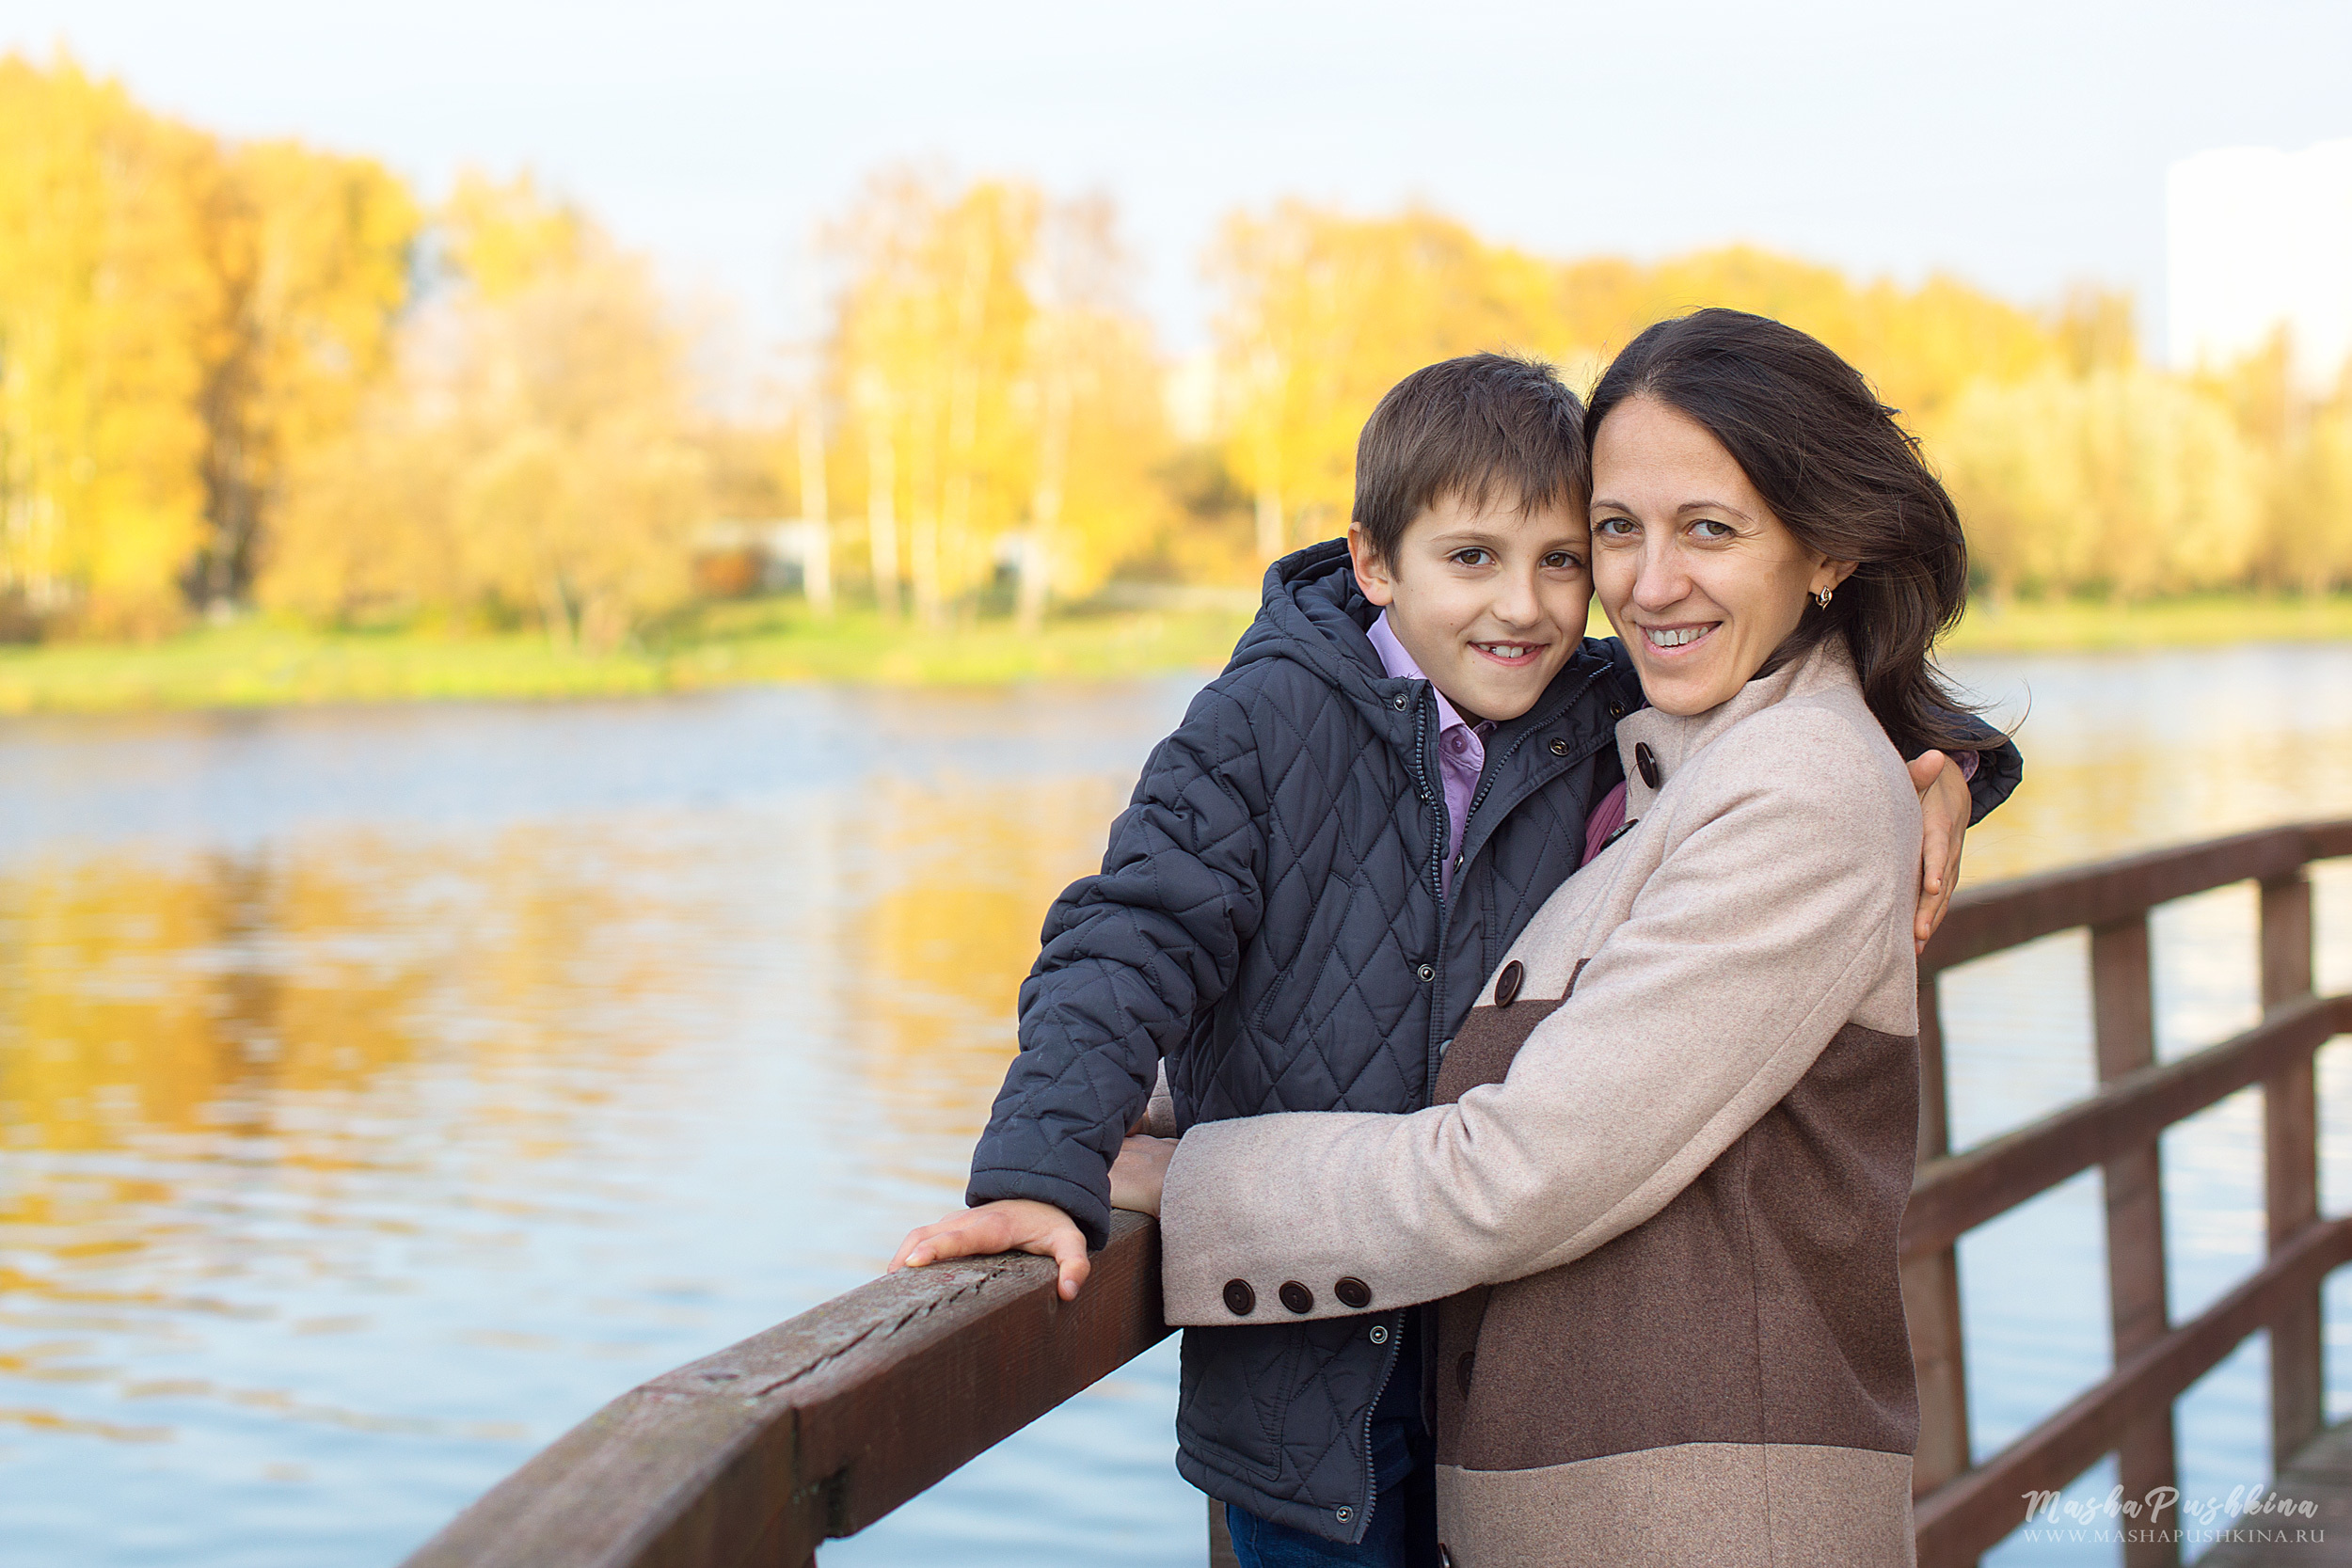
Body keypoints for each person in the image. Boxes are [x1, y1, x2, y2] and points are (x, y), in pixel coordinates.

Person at [891, 349, 2018, 1566]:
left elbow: (1785, 763)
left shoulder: (1599, 716)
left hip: (1576, 1436)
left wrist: (1946, 774)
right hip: (1338, 1406)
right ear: (1377, 562)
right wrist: (1043, 1163)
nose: (1580, 597)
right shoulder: (1277, 725)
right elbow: (1136, 939)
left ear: (1827, 547)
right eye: (1614, 533)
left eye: (1566, 561)